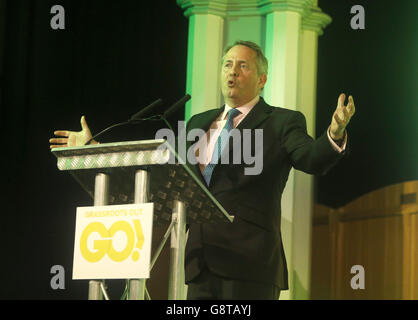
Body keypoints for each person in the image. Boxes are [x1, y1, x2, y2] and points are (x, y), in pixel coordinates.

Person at [50, 40, 355, 300]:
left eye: (243, 66)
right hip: (199, 261)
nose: (232, 71)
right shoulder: (198, 122)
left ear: (262, 79)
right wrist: (93, 146)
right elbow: (163, 172)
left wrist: (335, 132)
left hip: (250, 263)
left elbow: (312, 159)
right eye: (227, 64)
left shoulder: (282, 121)